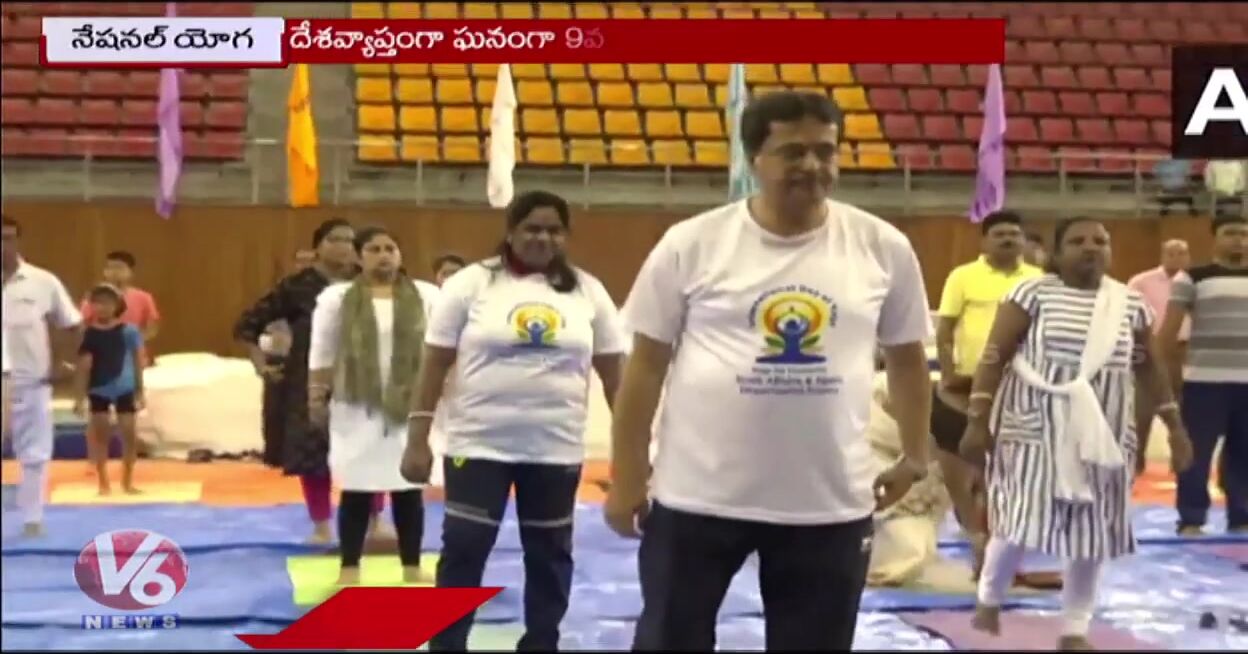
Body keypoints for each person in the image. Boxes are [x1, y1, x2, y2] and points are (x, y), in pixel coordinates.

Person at [603, 91, 933, 651]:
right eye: (793, 152)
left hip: (829, 503)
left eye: (825, 151)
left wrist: (915, 454)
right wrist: (628, 475)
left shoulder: (883, 247)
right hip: (697, 497)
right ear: (754, 158)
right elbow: (645, 368)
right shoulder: (692, 243)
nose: (813, 165)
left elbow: (907, 360)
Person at [400, 190, 626, 651]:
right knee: (464, 548)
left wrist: (632, 454)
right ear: (510, 231)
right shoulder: (471, 284)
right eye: (532, 228)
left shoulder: (588, 291)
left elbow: (616, 379)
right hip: (478, 446)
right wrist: (417, 439)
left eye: (554, 230)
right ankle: (448, 645)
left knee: (550, 555)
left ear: (566, 236)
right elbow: (434, 365)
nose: (543, 238)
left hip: (555, 449)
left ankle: (542, 642)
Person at [958, 217, 1194, 649]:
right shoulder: (1031, 294)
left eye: (1100, 240)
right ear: (1056, 252)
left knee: (1092, 534)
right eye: (1077, 241)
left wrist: (1174, 427)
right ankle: (989, 598)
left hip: (1104, 434)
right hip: (1033, 429)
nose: (1090, 247)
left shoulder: (1130, 304)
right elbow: (994, 357)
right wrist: (977, 420)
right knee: (1017, 523)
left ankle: (1075, 629)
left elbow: (1150, 369)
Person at [234, 218, 380, 544]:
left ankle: (376, 523)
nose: (343, 246)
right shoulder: (297, 286)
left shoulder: (369, 282)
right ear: (318, 247)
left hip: (363, 379)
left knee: (368, 450)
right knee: (314, 456)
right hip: (309, 380)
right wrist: (261, 364)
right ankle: (321, 526)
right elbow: (248, 324)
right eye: (335, 239)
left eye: (349, 240)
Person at [309, 226, 440, 585]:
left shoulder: (427, 295)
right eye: (374, 249)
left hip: (410, 405)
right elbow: (322, 350)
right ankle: (349, 569)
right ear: (358, 256)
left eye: (390, 248)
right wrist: (316, 395)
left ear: (400, 255)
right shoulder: (336, 298)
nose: (383, 256)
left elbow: (440, 348)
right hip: (356, 406)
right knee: (357, 488)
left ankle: (411, 568)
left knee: (408, 488)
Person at [932, 210, 1043, 576]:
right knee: (961, 469)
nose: (1008, 239)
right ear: (984, 241)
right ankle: (976, 538)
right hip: (964, 387)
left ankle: (1001, 548)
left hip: (1020, 387)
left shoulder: (1039, 280)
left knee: (1010, 473)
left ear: (1024, 241)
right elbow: (944, 330)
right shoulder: (963, 276)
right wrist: (948, 372)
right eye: (1000, 234)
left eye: (1014, 233)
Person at [1158, 215, 1248, 536]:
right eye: (1230, 233)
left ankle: (1242, 517)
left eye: (1244, 234)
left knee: (1244, 455)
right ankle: (1191, 519)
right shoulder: (1192, 278)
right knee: (1195, 454)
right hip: (1204, 383)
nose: (1238, 240)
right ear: (1215, 238)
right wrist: (1164, 380)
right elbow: (1167, 333)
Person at [1, 215, 83, 537]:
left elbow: (72, 323)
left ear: (18, 241)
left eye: (7, 238)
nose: (2, 245)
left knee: (34, 453)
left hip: (30, 381)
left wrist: (65, 362)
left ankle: (32, 519)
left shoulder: (42, 282)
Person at [78, 250, 161, 475]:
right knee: (97, 416)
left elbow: (152, 325)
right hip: (102, 361)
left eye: (120, 267)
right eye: (110, 267)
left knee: (128, 418)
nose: (114, 272)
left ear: (130, 272)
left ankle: (130, 462)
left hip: (129, 360)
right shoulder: (94, 297)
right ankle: (93, 459)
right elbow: (84, 325)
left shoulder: (142, 297)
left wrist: (134, 342)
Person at [72, 284, 146, 495]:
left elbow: (137, 361)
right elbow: (84, 366)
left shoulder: (129, 331)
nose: (101, 307)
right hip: (98, 389)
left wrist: (140, 390)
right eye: (97, 303)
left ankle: (127, 481)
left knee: (129, 434)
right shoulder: (89, 333)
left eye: (107, 303)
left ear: (117, 305)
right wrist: (79, 397)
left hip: (125, 388)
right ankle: (103, 482)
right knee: (101, 436)